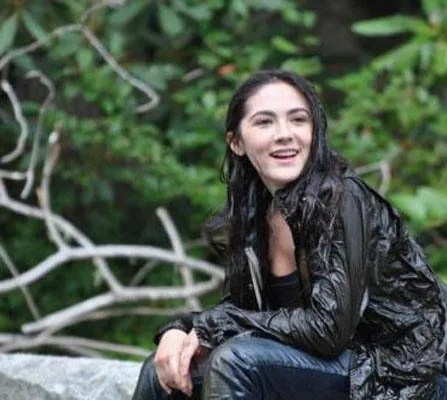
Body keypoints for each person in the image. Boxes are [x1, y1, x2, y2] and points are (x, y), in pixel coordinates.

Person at [132, 69, 447, 399]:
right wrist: (181, 328)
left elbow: (328, 331)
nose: (284, 134)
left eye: (298, 120)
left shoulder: (343, 199)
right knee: (163, 371)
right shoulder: (257, 212)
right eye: (264, 122)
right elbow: (247, 313)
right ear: (236, 142)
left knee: (236, 360)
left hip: (402, 373)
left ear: (315, 132)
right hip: (338, 368)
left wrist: (212, 324)